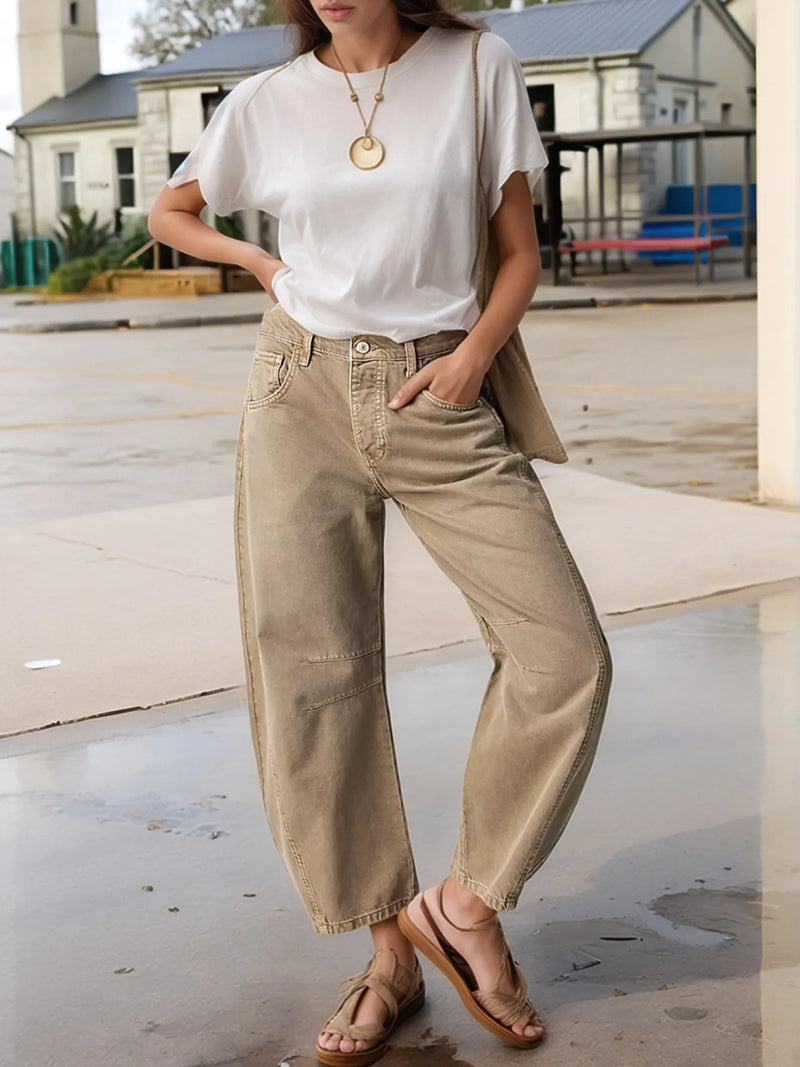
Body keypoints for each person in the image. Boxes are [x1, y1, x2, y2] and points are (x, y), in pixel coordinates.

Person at [148, 1, 612, 1063]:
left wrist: (469, 359)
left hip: (439, 384)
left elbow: (518, 252)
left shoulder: (477, 65)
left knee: (562, 652)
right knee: (316, 673)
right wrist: (260, 264)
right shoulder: (266, 100)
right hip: (297, 389)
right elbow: (170, 211)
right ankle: (386, 958)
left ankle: (463, 904)